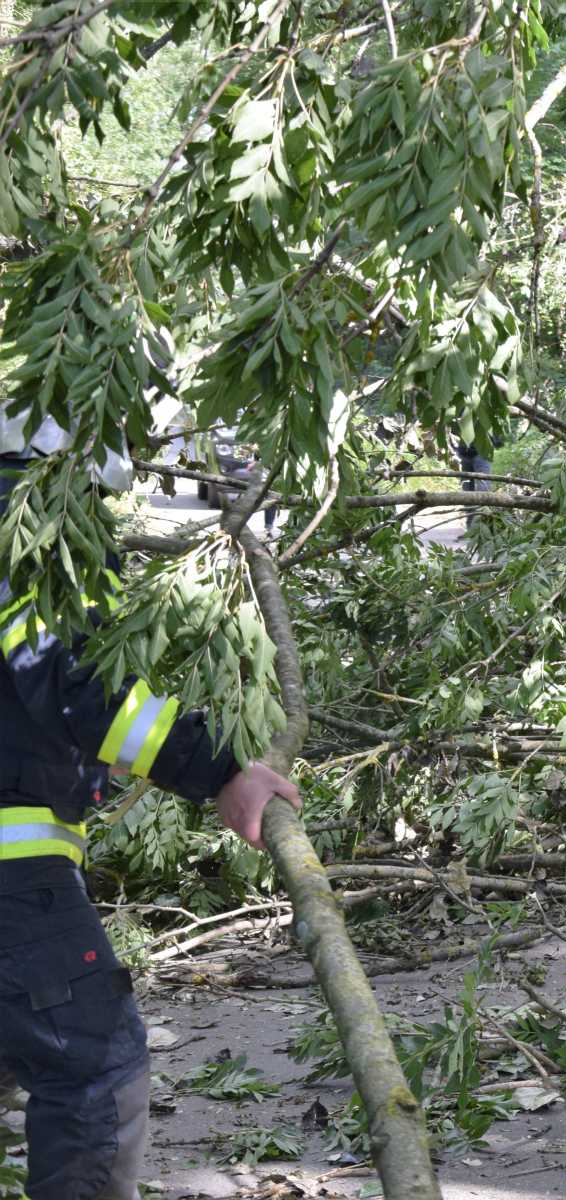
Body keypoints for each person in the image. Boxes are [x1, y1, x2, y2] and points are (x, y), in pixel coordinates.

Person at [0, 412, 301, 1200]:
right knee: (94, 1065)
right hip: (11, 868)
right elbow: (75, 685)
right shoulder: (26, 529)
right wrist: (220, 771)